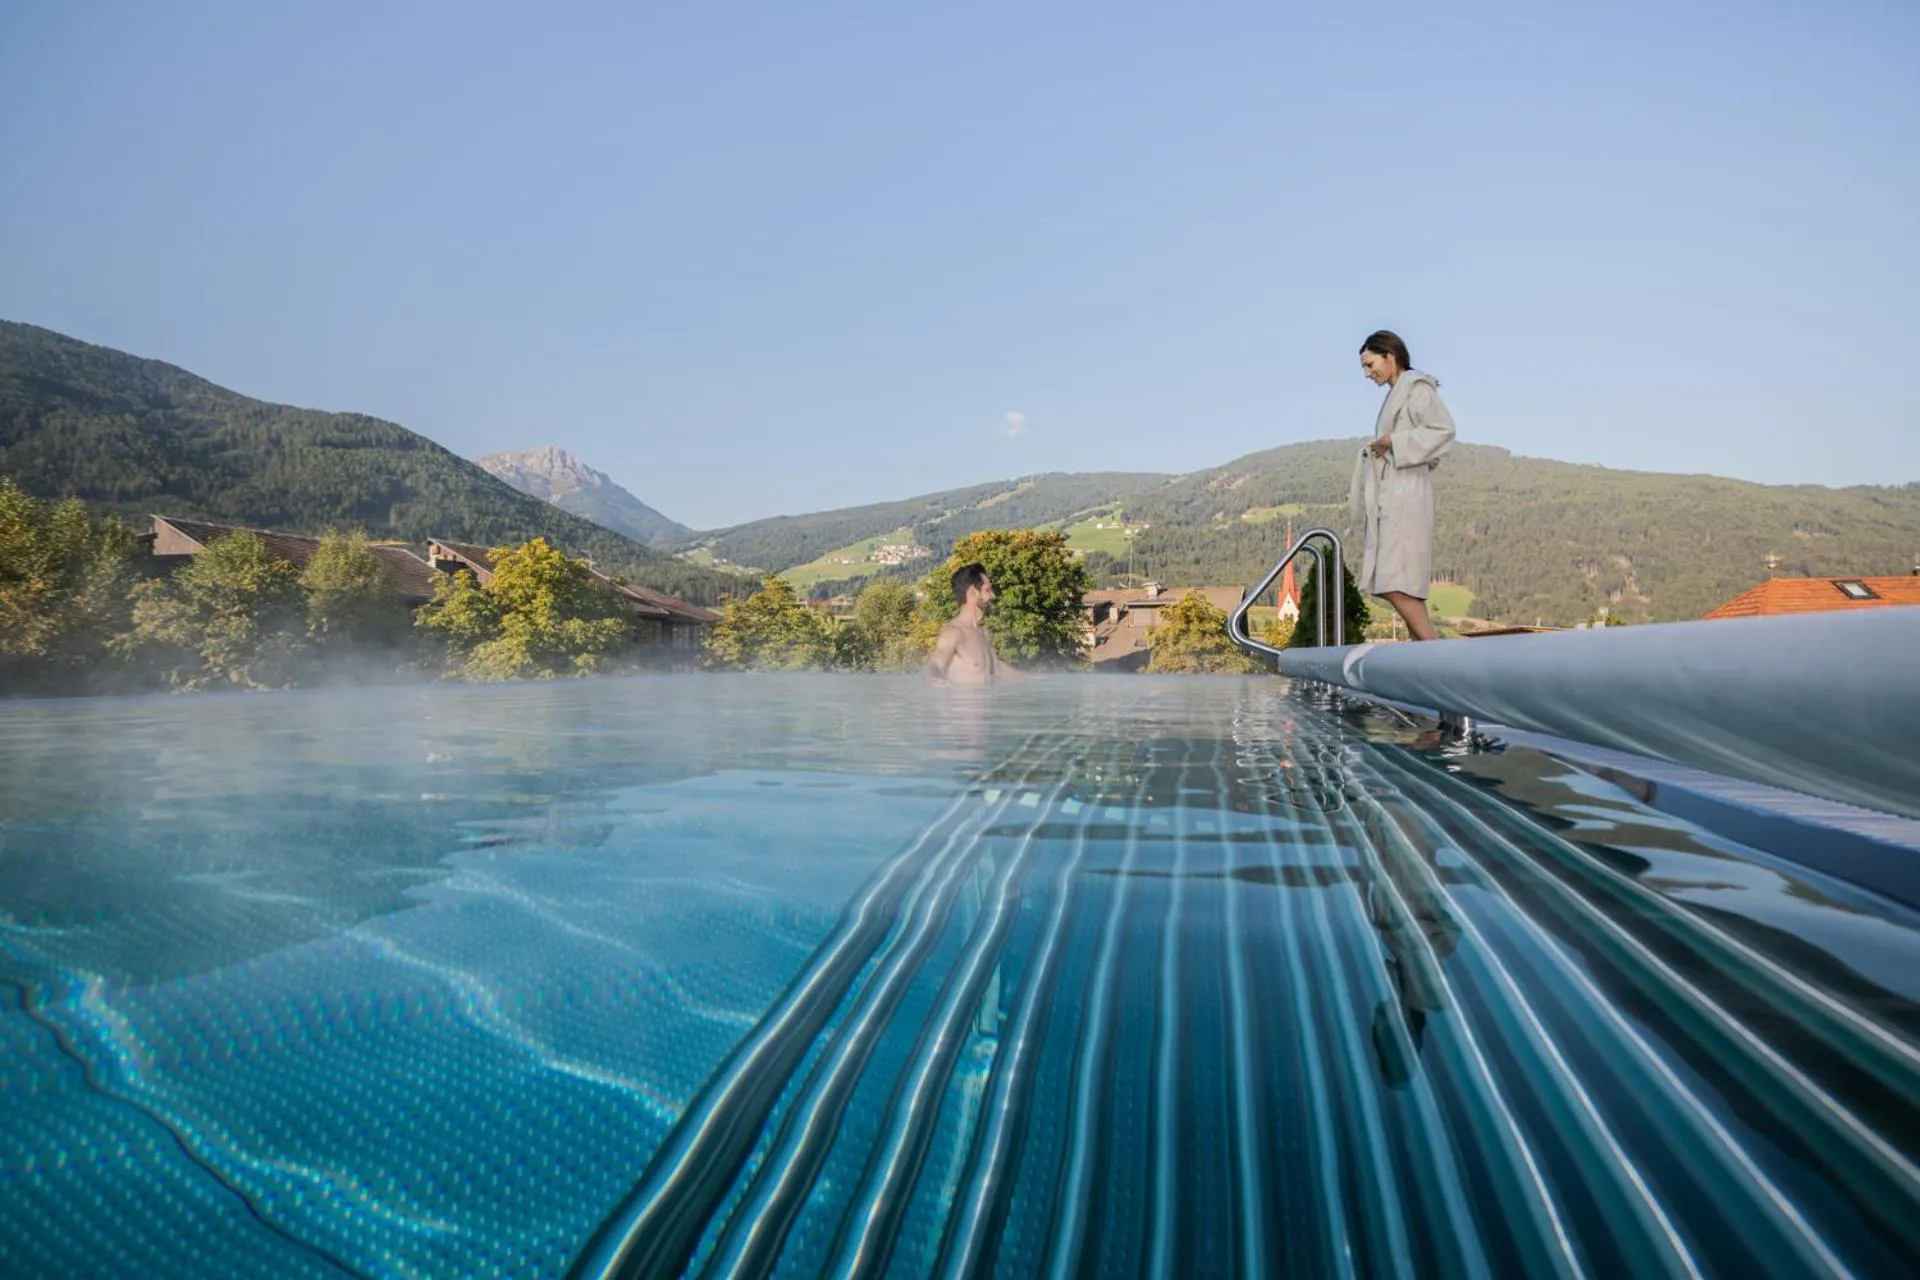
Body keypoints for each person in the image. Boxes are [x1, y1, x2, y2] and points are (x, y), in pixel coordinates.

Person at [1350, 329, 1456, 642]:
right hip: (1394, 494)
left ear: (1390, 356)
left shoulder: (1417, 389)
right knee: (1404, 582)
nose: (1368, 373)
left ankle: (1436, 654)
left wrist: (1393, 442)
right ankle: (1422, 657)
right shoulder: (1397, 393)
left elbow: (1443, 431)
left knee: (1394, 582)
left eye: (1371, 365)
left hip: (1407, 496)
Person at [923, 563, 1030, 686]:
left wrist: (1041, 680)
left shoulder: (984, 633)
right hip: (961, 704)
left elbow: (998, 670)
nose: (993, 596)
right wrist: (936, 681)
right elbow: (934, 665)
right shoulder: (954, 633)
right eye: (988, 590)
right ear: (973, 592)